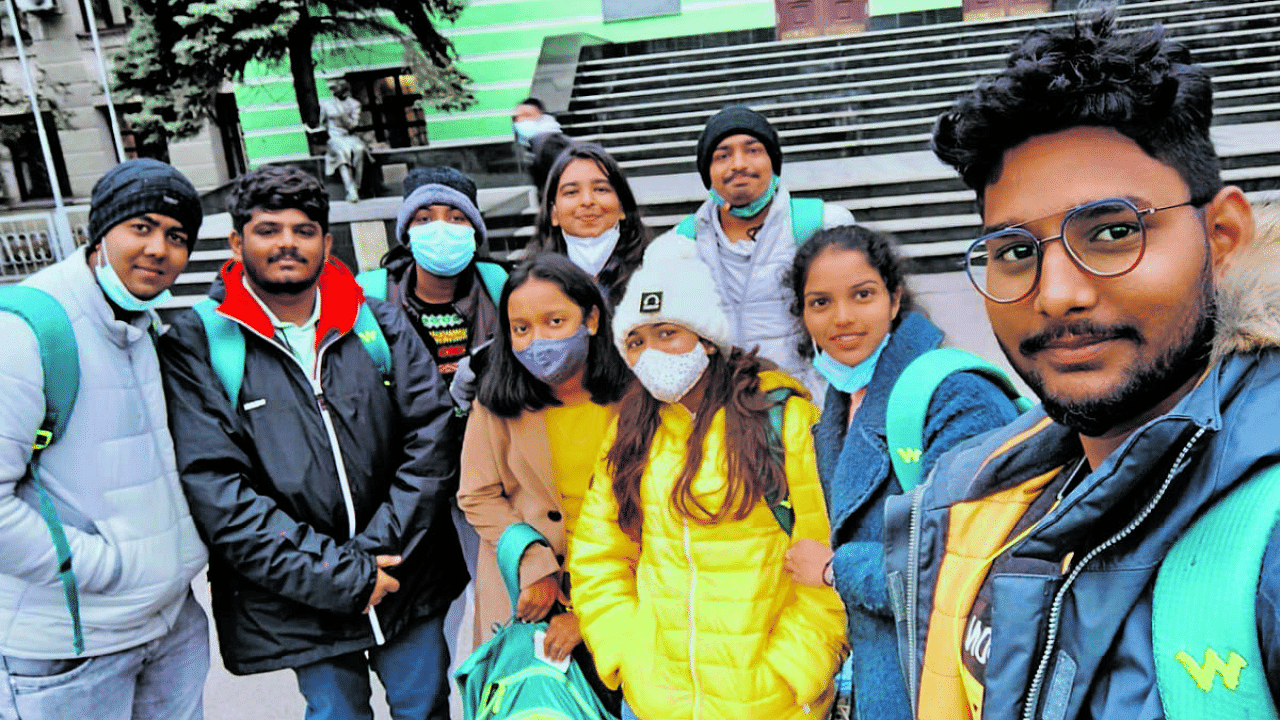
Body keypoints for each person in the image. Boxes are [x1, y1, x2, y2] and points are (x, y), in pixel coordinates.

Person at [883, 12, 1270, 720]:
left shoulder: (1265, 536)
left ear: (1223, 235)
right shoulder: (974, 498)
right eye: (1014, 250)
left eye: (1114, 232)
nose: (1058, 294)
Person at [160, 165, 466, 720]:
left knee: (426, 706)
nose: (287, 244)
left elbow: (432, 435)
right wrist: (341, 574)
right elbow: (219, 488)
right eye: (268, 229)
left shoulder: (376, 320)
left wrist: (376, 553)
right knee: (335, 713)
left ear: (326, 242)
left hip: (405, 572)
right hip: (302, 594)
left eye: (303, 231)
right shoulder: (201, 342)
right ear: (237, 241)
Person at [568, 241, 847, 720]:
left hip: (769, 704)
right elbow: (599, 556)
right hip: (657, 703)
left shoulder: (784, 419)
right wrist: (626, 654)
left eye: (667, 333)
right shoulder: (632, 430)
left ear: (706, 337)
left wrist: (792, 673)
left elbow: (826, 557)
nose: (651, 353)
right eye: (636, 341)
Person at [779, 225, 1020, 720]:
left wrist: (832, 568)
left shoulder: (954, 393)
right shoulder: (841, 400)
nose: (841, 318)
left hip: (951, 687)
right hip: (891, 679)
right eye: (820, 303)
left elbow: (963, 565)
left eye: (862, 295)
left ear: (894, 299)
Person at [0, 158, 209, 719]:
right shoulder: (27, 332)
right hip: (71, 649)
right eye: (140, 227)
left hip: (167, 629)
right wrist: (101, 568)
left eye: (176, 236)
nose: (159, 249)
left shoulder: (143, 326)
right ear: (100, 233)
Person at [457, 252, 630, 714]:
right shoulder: (496, 401)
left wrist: (588, 615)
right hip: (525, 594)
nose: (537, 340)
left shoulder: (636, 398)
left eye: (555, 321)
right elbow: (477, 494)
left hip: (621, 587)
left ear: (591, 318)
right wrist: (534, 563)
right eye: (521, 328)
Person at [647, 105, 854, 395]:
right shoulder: (679, 246)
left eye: (753, 150)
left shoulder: (823, 225)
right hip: (722, 412)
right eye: (723, 155)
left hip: (813, 408)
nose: (738, 164)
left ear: (773, 162)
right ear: (707, 171)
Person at [530, 143, 652, 308]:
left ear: (622, 206)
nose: (587, 201)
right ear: (554, 214)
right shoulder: (530, 284)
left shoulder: (655, 270)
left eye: (601, 189)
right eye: (571, 192)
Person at [313, 78, 371, 203]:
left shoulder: (354, 104)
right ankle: (351, 190)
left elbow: (353, 125)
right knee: (342, 153)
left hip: (349, 136)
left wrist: (343, 115)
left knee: (360, 150)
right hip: (334, 137)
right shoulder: (326, 104)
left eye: (337, 89)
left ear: (344, 90)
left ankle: (357, 186)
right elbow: (322, 123)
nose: (334, 92)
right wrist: (317, 131)